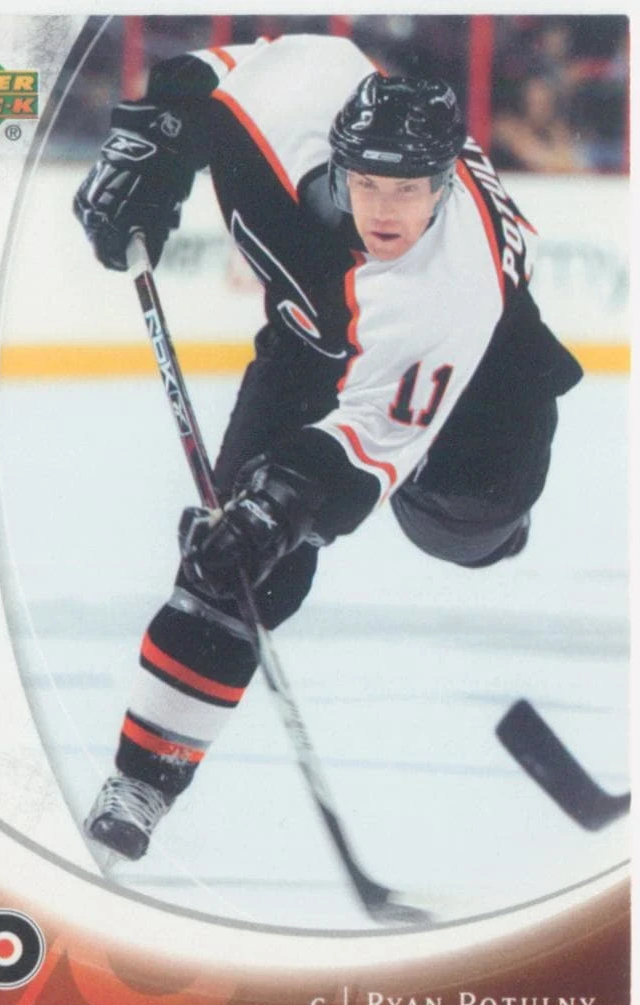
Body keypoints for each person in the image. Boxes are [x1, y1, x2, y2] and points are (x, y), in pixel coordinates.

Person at [73, 34, 582, 863]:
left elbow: (361, 445)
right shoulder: (302, 84)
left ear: (444, 184)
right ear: (339, 159)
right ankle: (141, 783)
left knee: (466, 520)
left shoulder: (445, 290)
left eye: (408, 190)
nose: (384, 210)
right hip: (313, 348)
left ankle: (482, 528)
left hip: (484, 380)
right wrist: (150, 144)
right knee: (233, 568)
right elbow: (194, 78)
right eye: (367, 183)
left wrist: (277, 506)